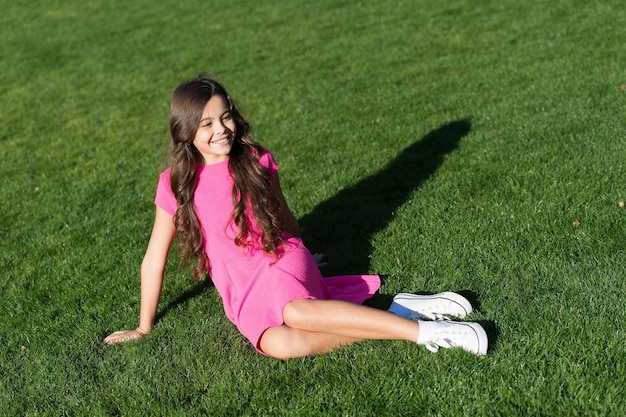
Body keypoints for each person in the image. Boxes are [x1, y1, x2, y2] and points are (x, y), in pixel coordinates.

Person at [103, 75, 488, 358]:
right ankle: (395, 311)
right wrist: (143, 325)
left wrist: (304, 262)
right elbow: (154, 260)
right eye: (206, 125)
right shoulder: (174, 184)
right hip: (242, 286)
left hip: (279, 258)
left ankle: (425, 333)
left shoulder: (253, 160)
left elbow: (284, 217)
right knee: (278, 344)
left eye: (225, 118)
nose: (222, 130)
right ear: (185, 131)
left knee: (296, 310)